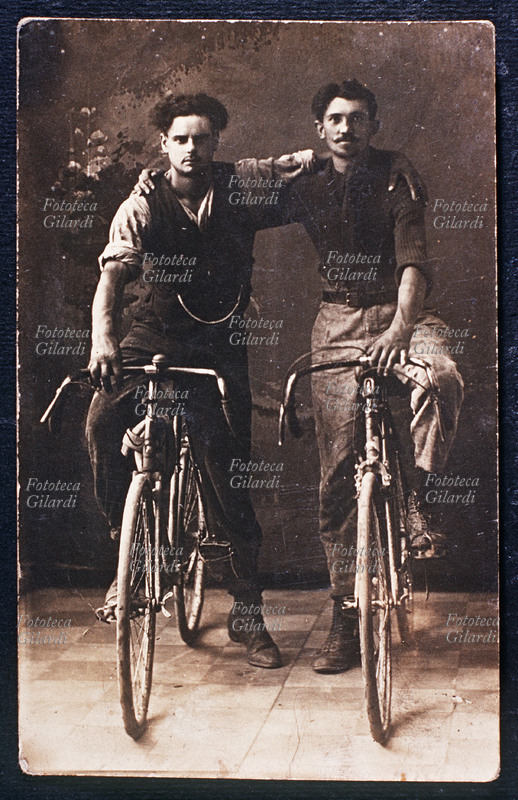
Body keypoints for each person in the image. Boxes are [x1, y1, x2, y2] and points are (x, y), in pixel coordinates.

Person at [87, 92, 322, 669]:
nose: (191, 148)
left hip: (219, 349)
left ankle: (248, 614)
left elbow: (308, 163)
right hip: (153, 334)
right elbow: (112, 278)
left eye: (202, 138)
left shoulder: (241, 185)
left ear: (216, 141)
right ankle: (130, 557)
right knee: (101, 421)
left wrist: (365, 161)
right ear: (164, 144)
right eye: (180, 139)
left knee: (227, 477)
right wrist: (103, 339)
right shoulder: (142, 202)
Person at [278, 80, 464, 673]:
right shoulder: (305, 182)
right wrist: (156, 178)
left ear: (373, 126)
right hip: (336, 321)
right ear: (320, 128)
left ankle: (414, 498)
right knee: (338, 473)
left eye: (358, 118)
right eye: (335, 119)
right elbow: (230, 193)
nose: (346, 128)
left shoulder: (397, 178)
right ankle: (344, 613)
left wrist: (401, 330)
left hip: (404, 314)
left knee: (440, 378)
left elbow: (414, 263)